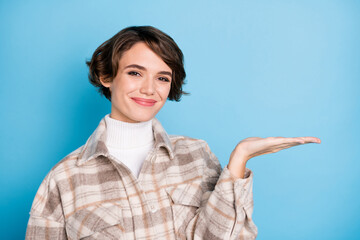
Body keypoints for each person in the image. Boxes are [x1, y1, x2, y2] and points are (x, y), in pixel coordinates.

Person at [25, 25, 321, 240]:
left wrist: (239, 161)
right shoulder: (62, 179)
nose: (149, 89)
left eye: (162, 77)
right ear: (106, 76)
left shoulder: (197, 155)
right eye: (135, 72)